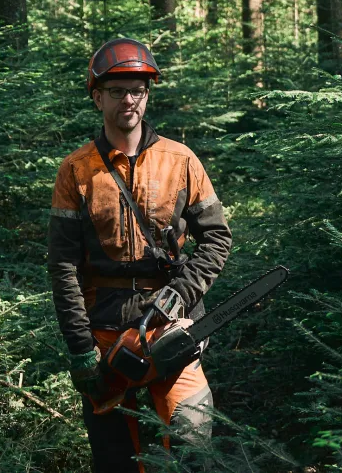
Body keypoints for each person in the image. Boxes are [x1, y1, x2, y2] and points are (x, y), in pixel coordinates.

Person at [48, 38, 233, 472]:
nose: (128, 100)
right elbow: (63, 266)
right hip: (105, 330)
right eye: (117, 91)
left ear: (147, 96)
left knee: (191, 437)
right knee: (115, 456)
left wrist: (182, 293)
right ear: (98, 97)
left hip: (171, 325)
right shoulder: (76, 170)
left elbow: (217, 238)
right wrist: (80, 349)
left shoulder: (181, 159)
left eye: (138, 91)